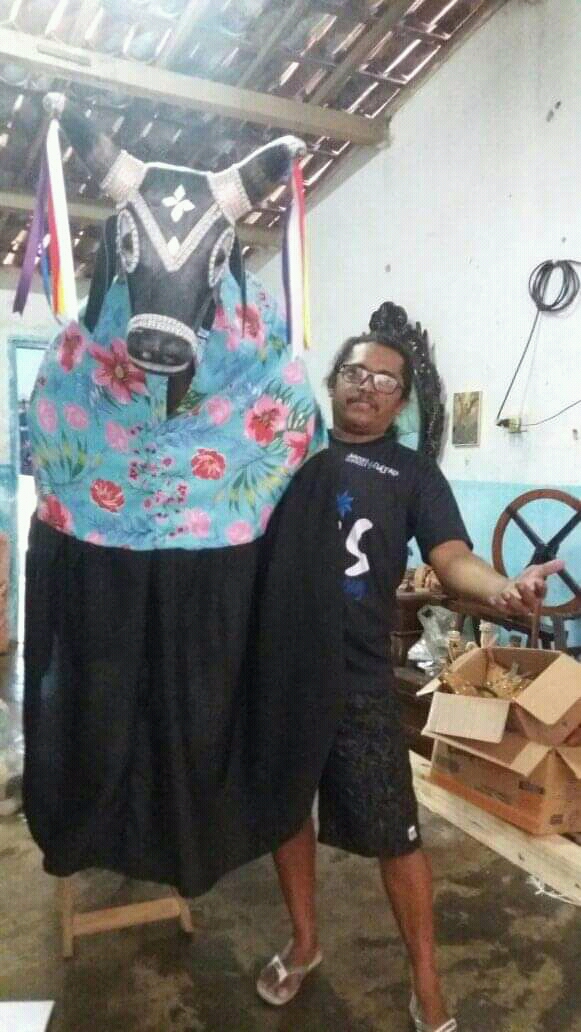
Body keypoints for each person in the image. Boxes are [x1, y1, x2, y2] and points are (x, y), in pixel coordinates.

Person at [255, 331, 563, 1032]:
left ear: (400, 402)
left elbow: (450, 557)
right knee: (286, 816)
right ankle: (304, 943)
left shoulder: (412, 474)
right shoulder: (286, 452)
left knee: (397, 834)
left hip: (358, 676)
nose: (367, 386)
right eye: (355, 372)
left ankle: (426, 982)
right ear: (333, 381)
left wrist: (502, 588)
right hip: (276, 671)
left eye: (385, 380)